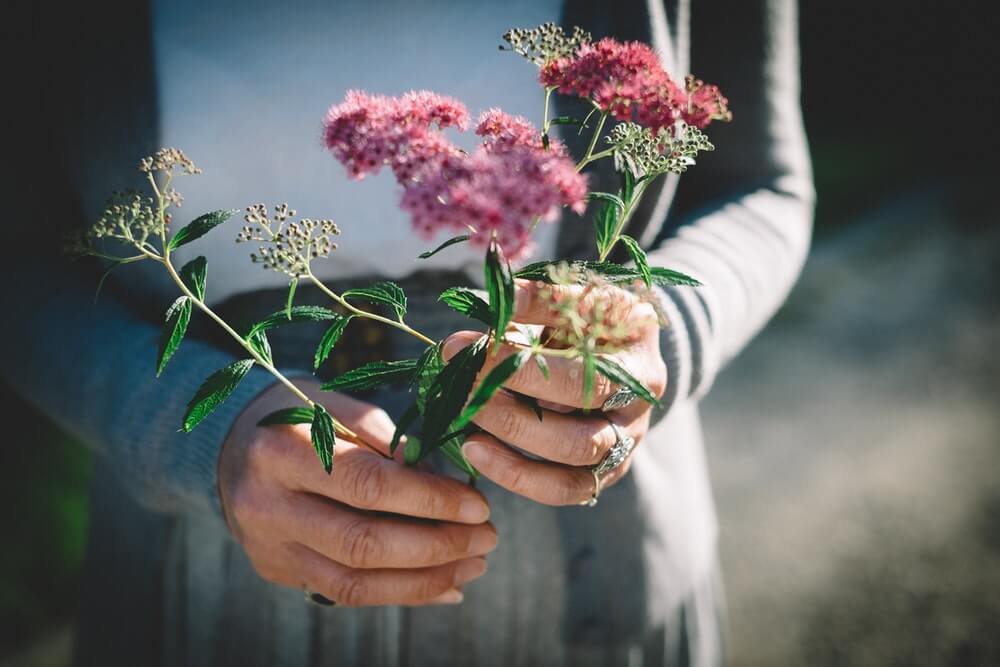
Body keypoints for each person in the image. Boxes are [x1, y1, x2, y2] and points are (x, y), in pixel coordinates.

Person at [1, 0, 813, 665]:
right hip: (201, 590)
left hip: (599, 582)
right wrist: (199, 428)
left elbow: (765, 185)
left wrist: (651, 339)